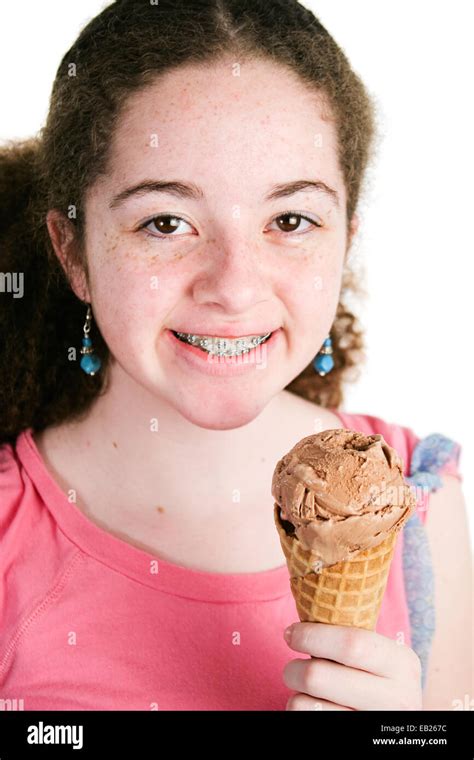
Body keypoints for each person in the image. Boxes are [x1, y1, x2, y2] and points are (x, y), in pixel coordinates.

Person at [0, 0, 470, 711]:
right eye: (166, 222)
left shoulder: (421, 504)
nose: (235, 286)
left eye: (290, 220)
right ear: (74, 251)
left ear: (344, 237)